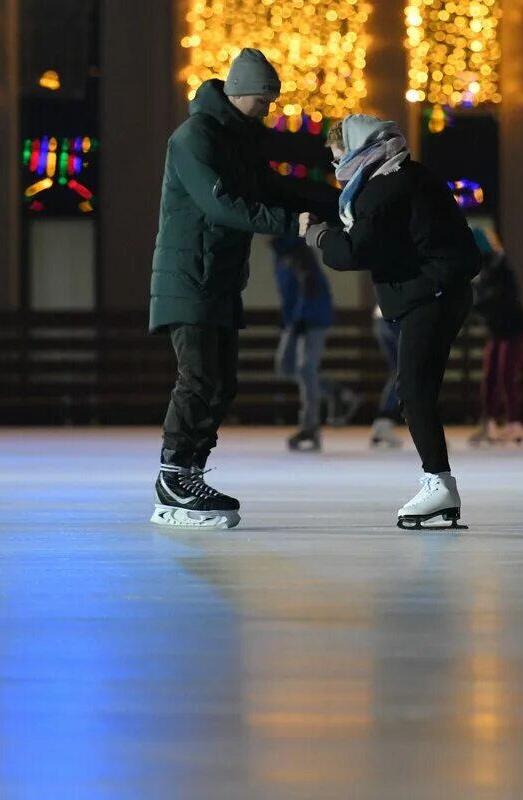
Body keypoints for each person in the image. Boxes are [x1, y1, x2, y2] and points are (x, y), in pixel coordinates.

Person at [148, 48, 336, 529]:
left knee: (222, 381)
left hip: (222, 279)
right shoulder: (192, 138)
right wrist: (291, 223)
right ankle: (172, 479)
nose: (267, 111)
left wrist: (334, 204)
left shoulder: (238, 141)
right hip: (188, 277)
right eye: (262, 101)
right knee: (198, 377)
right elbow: (223, 204)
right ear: (238, 95)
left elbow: (269, 189)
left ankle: (189, 472)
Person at [300, 115, 480, 528]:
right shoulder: (406, 176)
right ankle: (439, 483)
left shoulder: (383, 187)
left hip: (430, 296)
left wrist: (318, 236)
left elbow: (352, 252)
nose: (336, 168)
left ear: (358, 149)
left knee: (413, 389)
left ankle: (438, 484)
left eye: (337, 156)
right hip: (439, 291)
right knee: (416, 387)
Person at [271, 235, 360, 452]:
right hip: (295, 318)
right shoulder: (278, 251)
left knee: (305, 369)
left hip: (314, 316)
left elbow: (309, 285)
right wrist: (287, 318)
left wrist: (302, 315)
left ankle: (309, 426)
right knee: (286, 366)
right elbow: (288, 290)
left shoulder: (296, 250)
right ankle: (335, 391)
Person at [468, 227, 523, 447]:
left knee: (506, 375)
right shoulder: (484, 268)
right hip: (497, 331)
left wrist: (475, 304)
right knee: (490, 376)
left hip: (512, 330)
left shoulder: (498, 266)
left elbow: (498, 298)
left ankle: (514, 424)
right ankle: (490, 422)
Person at [369, 305, 404, 448]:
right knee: (411, 371)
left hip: (381, 316)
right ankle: (429, 431)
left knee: (399, 372)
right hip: (399, 315)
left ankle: (382, 424)